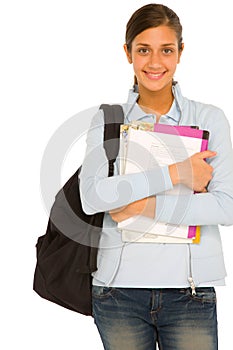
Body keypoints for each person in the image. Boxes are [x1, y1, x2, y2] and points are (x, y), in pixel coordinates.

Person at [79, 3, 233, 349]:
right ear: (127, 52)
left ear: (180, 52)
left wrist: (141, 205)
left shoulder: (210, 118)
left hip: (189, 294)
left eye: (166, 50)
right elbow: (93, 197)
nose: (154, 62)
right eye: (143, 50)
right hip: (118, 292)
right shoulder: (107, 121)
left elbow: (226, 206)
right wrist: (178, 173)